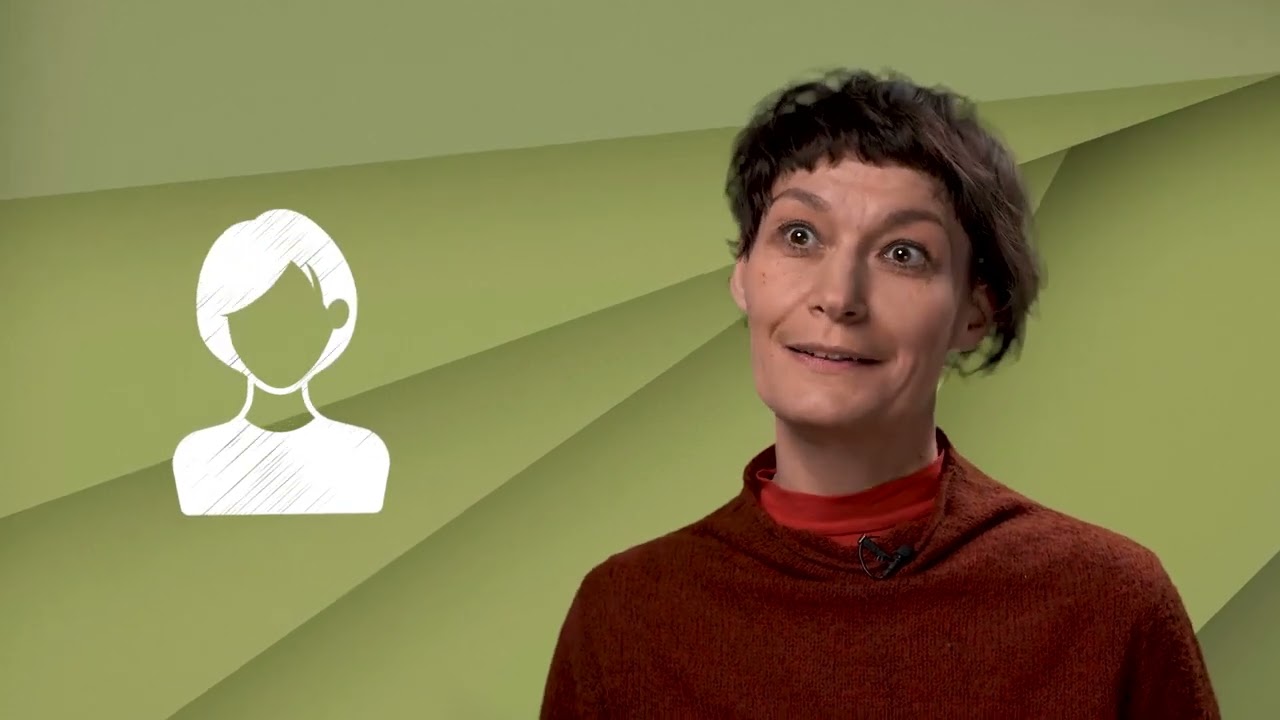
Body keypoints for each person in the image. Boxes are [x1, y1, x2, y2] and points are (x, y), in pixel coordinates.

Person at [540, 70, 1218, 718]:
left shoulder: (1108, 602)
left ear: (974, 312)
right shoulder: (625, 615)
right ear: (743, 274)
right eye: (799, 236)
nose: (838, 297)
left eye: (903, 254)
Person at [172, 208, 390, 516]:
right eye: (250, 320)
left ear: (335, 315)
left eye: (296, 315)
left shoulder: (363, 456)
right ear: (224, 329)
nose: (277, 340)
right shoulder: (198, 459)